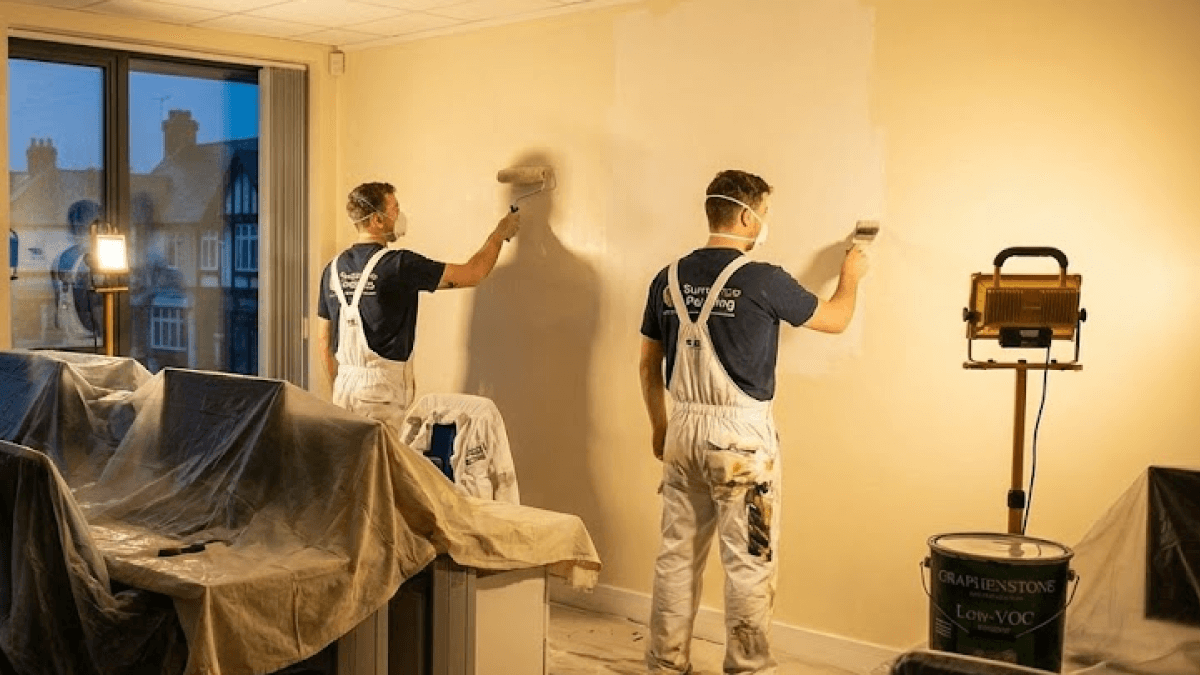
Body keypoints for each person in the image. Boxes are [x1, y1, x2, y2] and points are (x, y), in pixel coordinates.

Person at [638, 169, 869, 674]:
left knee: (676, 556)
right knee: (748, 562)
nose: (764, 222)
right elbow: (835, 318)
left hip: (681, 433)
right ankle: (747, 669)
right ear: (746, 215)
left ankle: (664, 662)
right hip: (740, 443)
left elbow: (647, 363)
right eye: (763, 212)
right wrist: (851, 274)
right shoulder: (763, 278)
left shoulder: (667, 277)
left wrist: (659, 425)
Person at [316, 181, 519, 434]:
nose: (399, 216)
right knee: (382, 471)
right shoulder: (400, 265)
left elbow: (324, 341)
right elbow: (473, 273)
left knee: (351, 469)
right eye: (395, 209)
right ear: (377, 220)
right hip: (380, 398)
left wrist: (340, 384)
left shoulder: (332, 270)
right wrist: (498, 235)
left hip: (343, 392)